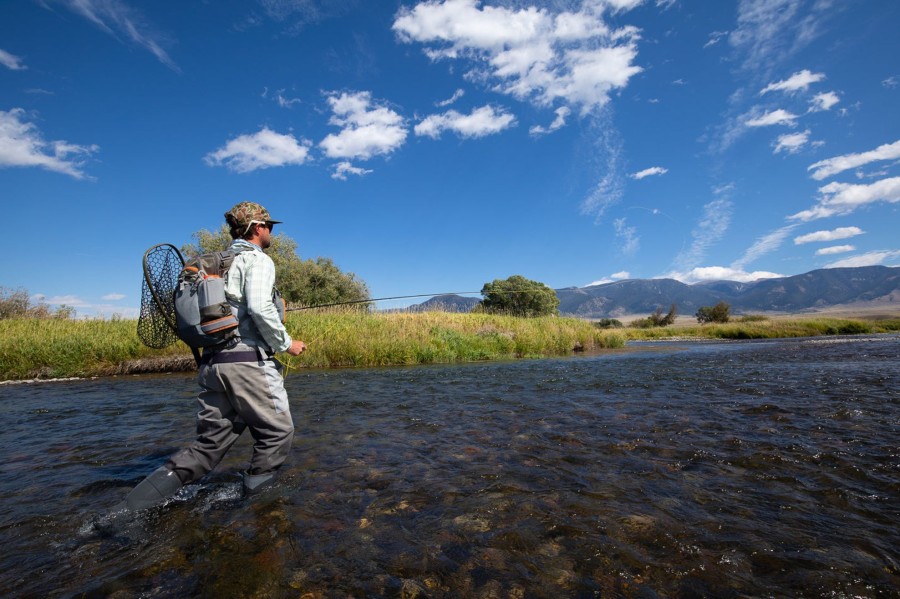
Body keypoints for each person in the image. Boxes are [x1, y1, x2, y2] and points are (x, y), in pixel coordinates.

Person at [122, 202, 307, 510]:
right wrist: (287, 343)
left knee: (208, 446)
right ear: (257, 228)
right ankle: (258, 509)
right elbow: (260, 308)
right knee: (278, 433)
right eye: (269, 226)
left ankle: (125, 512)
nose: (271, 231)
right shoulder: (256, 260)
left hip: (212, 364)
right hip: (247, 364)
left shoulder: (213, 264)